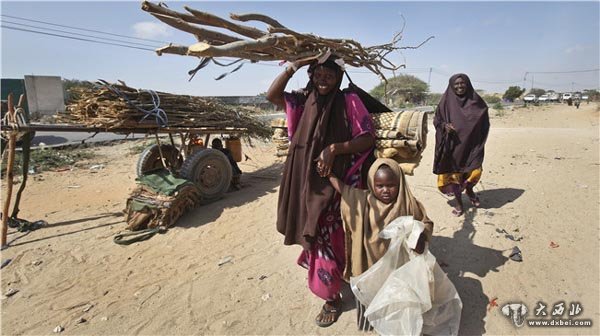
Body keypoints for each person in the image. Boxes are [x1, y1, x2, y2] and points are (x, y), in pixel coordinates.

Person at [266, 54, 375, 327]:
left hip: (341, 181)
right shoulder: (303, 100)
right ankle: (332, 296)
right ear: (311, 76)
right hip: (307, 180)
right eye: (318, 74)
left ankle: (356, 279)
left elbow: (366, 138)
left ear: (338, 77)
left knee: (343, 237)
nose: (323, 78)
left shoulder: (349, 100)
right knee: (318, 237)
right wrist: (296, 65)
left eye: (329, 74)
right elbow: (272, 95)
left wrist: (334, 148)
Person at [328, 158, 433, 330]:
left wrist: (420, 236)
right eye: (380, 186)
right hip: (369, 264)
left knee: (397, 300)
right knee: (371, 296)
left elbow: (425, 224)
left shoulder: (408, 203)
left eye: (391, 185)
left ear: (399, 183)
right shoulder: (363, 201)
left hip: (398, 267)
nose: (385, 190)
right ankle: (373, 324)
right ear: (371, 183)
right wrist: (329, 174)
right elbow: (345, 191)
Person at [433, 74, 490, 217]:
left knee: (475, 171)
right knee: (454, 176)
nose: (459, 86)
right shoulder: (445, 102)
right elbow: (437, 120)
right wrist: (445, 126)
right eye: (456, 84)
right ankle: (459, 203)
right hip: (453, 147)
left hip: (472, 145)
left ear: (468, 84)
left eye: (462, 83)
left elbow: (484, 118)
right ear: (451, 86)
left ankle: (470, 189)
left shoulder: (476, 101)